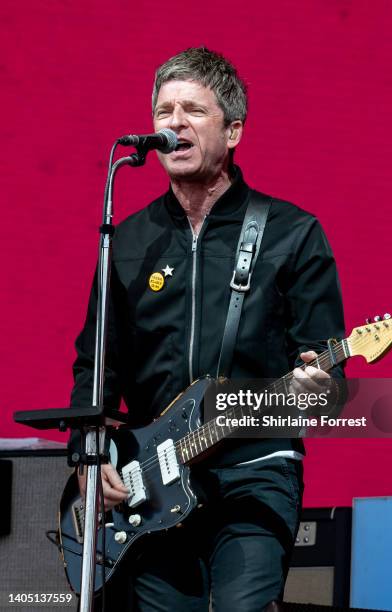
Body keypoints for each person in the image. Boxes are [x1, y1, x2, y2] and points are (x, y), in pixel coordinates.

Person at [70, 47, 345, 612]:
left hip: (254, 466)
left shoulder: (292, 234)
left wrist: (323, 384)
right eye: (164, 111)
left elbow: (326, 369)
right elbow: (95, 368)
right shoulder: (127, 241)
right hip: (151, 482)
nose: (174, 123)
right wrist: (89, 460)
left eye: (193, 110)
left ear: (234, 130)